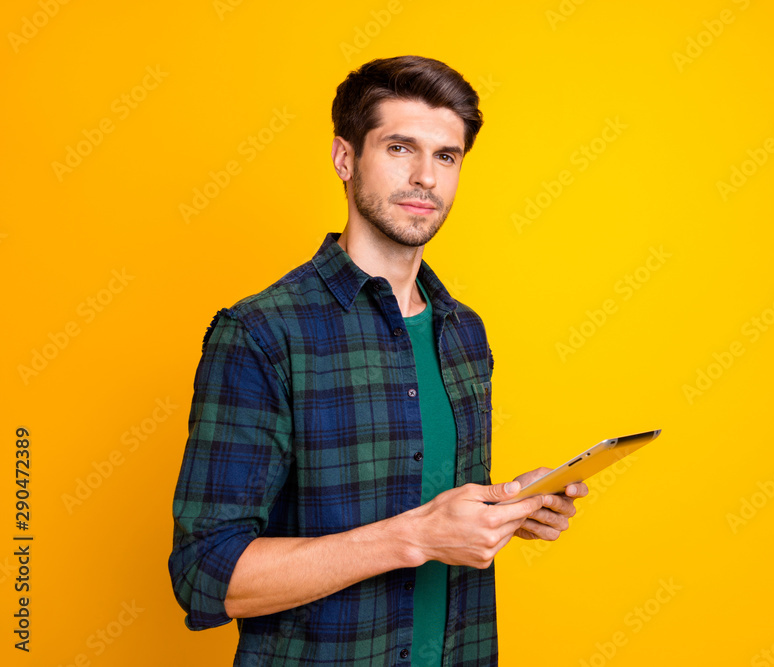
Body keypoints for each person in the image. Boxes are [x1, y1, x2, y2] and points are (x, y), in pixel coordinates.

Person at [167, 55, 588, 666]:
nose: (425, 177)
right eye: (399, 148)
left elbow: (434, 506)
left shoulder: (463, 331)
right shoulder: (261, 333)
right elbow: (207, 574)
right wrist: (414, 537)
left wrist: (504, 508)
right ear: (345, 159)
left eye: (446, 156)